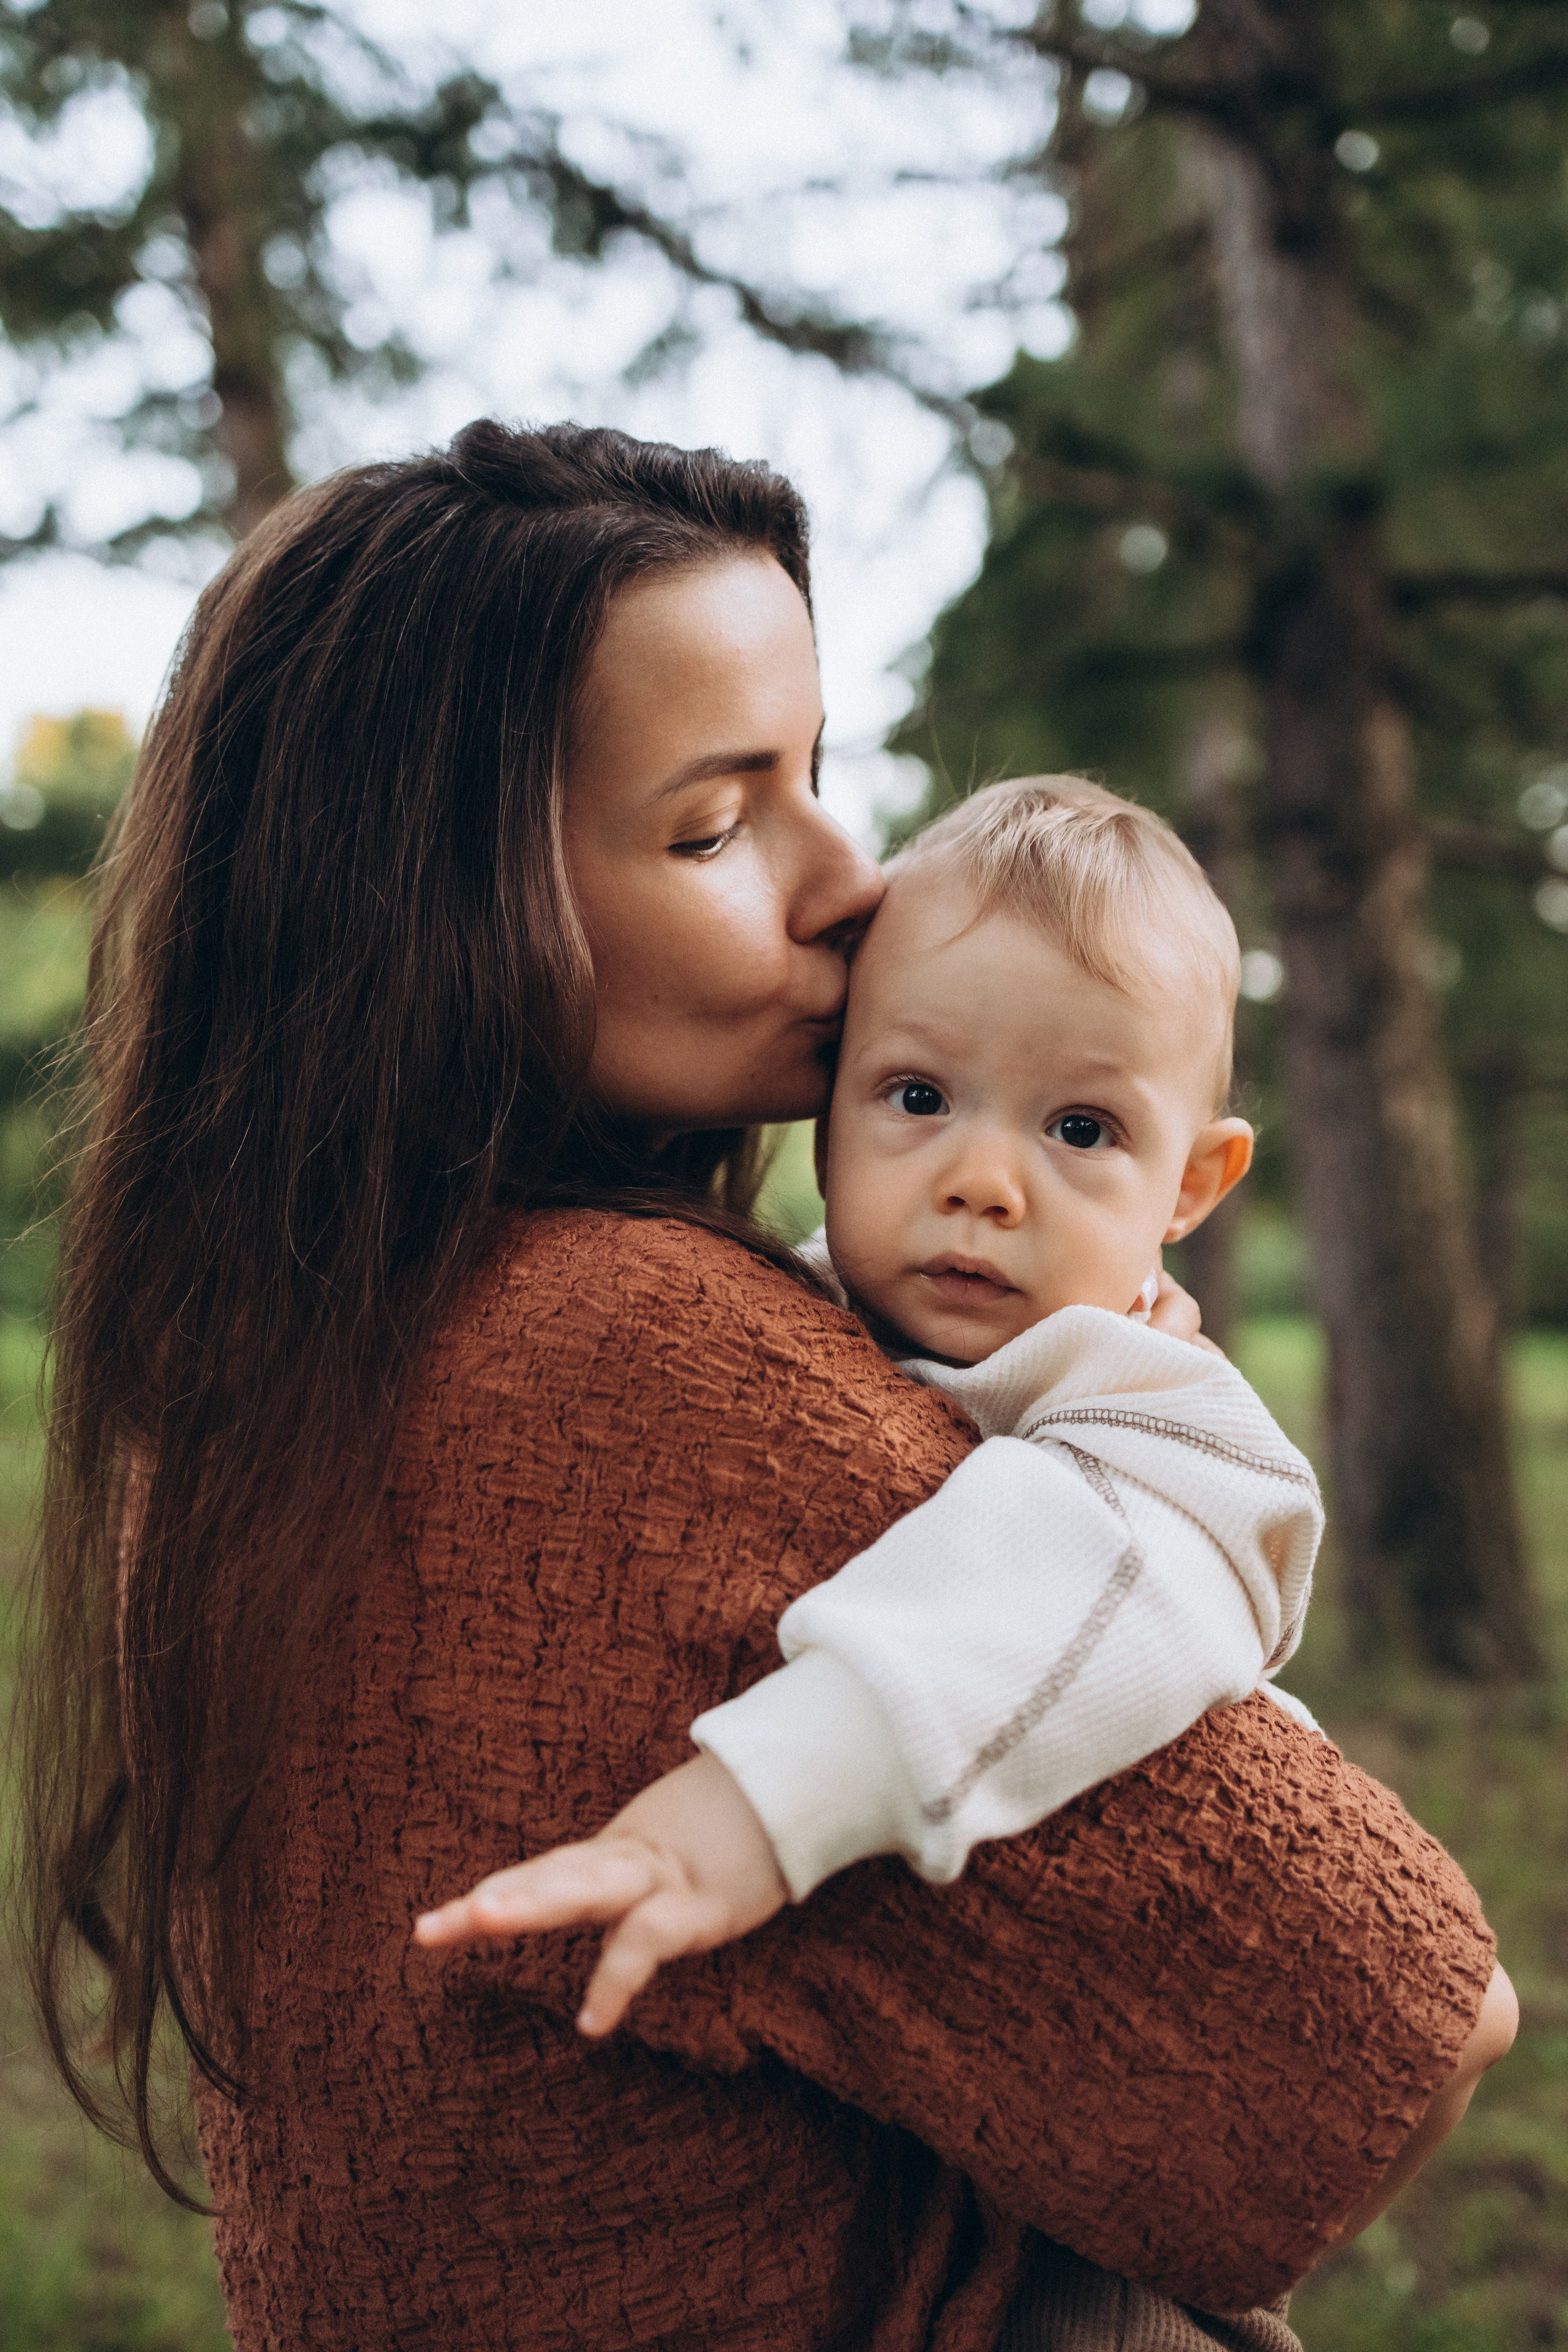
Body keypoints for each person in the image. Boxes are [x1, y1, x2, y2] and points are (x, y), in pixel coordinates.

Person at [20, 418, 1510, 2352]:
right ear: (433, 907)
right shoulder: (638, 1359)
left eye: (818, 774)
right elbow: (1401, 2030)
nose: (848, 881)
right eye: (718, 827)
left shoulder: (236, 1397)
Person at [416, 772, 1330, 2002]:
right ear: (829, 1110)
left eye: (1079, 1129)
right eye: (918, 1097)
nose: (982, 1183)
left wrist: (753, 1807)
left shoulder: (1167, 1431)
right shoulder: (767, 1316)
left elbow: (1046, 1593)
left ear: (1191, 1185)